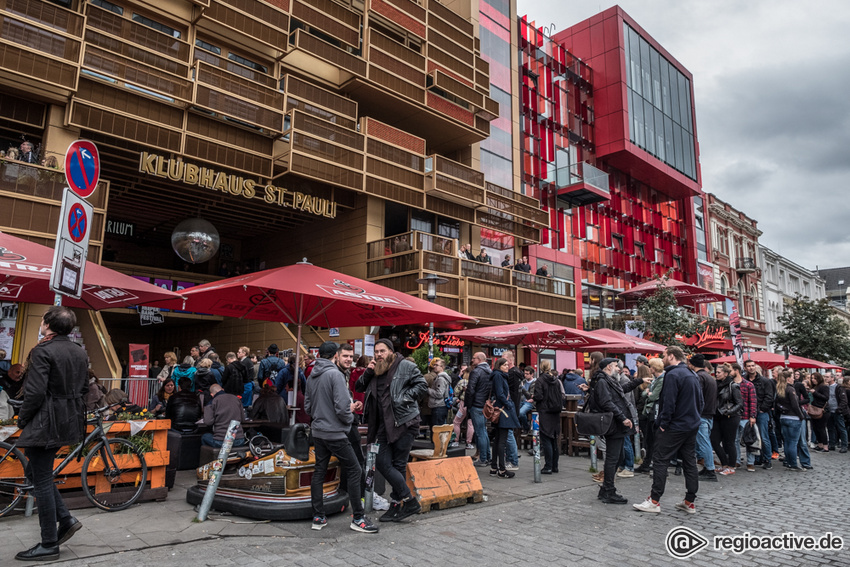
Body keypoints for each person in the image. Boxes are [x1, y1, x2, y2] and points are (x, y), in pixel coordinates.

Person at [14, 306, 87, 561]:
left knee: (41, 478)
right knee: (36, 472)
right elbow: (84, 387)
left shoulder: (43, 350)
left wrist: (22, 420)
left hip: (47, 421)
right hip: (69, 419)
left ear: (47, 324)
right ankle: (66, 519)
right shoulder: (78, 352)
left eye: (44, 320)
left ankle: (48, 543)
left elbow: (34, 393)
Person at [305, 342, 378, 533]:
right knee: (355, 469)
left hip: (318, 431)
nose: (347, 359)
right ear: (335, 355)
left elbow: (307, 407)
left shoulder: (313, 374)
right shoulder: (335, 374)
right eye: (344, 355)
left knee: (319, 471)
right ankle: (358, 518)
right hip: (335, 432)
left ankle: (318, 516)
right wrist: (350, 411)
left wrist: (324, 414)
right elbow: (342, 410)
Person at [355, 338, 426, 522]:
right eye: (376, 352)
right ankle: (409, 501)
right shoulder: (375, 369)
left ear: (391, 352)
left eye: (382, 351)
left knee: (398, 464)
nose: (379, 355)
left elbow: (422, 385)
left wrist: (403, 398)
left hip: (404, 422)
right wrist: (369, 371)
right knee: (383, 462)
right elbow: (359, 386)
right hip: (382, 425)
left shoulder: (404, 366)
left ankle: (395, 506)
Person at [633, 346, 703, 515]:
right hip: (691, 425)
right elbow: (700, 401)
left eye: (664, 356)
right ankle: (689, 501)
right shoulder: (691, 374)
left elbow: (668, 402)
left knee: (660, 460)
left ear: (671, 356)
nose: (662, 359)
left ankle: (654, 500)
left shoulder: (673, 374)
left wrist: (663, 423)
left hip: (674, 426)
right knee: (689, 461)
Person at [587, 357, 645, 504]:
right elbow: (607, 402)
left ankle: (606, 489)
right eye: (615, 366)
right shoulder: (602, 381)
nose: (619, 369)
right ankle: (608, 490)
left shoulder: (608, 380)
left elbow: (621, 390)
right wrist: (622, 417)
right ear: (608, 367)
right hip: (613, 424)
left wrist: (639, 381)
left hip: (616, 424)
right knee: (614, 458)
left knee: (618, 457)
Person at [685, 355, 717, 481]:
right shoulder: (709, 377)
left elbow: (697, 397)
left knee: (704, 443)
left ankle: (710, 470)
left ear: (693, 365)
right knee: (705, 442)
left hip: (702, 414)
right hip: (709, 414)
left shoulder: (699, 377)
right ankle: (707, 468)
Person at [533, 360, 565, 474]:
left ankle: (548, 466)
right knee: (554, 439)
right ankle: (555, 466)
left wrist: (533, 397)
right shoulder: (556, 380)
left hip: (545, 411)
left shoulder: (540, 380)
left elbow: (538, 396)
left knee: (546, 438)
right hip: (555, 412)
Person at [489, 358, 520, 478]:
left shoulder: (500, 375)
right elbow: (500, 393)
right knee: (502, 439)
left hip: (500, 408)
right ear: (499, 366)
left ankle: (494, 467)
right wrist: (508, 405)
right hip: (503, 410)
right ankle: (501, 469)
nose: (507, 367)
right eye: (504, 365)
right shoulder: (498, 376)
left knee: (498, 440)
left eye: (507, 365)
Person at [711, 363, 742, 475]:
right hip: (717, 416)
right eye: (716, 372)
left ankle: (731, 466)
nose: (716, 374)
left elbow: (739, 403)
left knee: (729, 442)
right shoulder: (715, 384)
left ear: (725, 373)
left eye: (719, 372)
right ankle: (724, 464)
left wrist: (728, 412)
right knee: (714, 441)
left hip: (730, 417)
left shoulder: (733, 386)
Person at [635, 358, 665, 475]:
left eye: (651, 366)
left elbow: (653, 397)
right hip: (648, 412)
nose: (649, 368)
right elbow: (645, 394)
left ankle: (650, 464)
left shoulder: (661, 380)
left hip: (653, 412)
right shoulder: (656, 379)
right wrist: (648, 393)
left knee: (653, 440)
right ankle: (647, 463)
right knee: (649, 439)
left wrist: (648, 393)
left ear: (654, 368)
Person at [745, 359, 776, 468]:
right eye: (748, 366)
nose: (751, 368)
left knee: (764, 436)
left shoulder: (765, 381)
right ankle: (756, 458)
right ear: (745, 368)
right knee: (751, 436)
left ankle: (767, 459)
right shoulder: (745, 380)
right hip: (748, 412)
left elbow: (769, 397)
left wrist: (762, 408)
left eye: (752, 365)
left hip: (761, 412)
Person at [464, 351, 493, 467]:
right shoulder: (489, 371)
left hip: (476, 404)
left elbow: (471, 390)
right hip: (484, 404)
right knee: (483, 431)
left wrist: (469, 404)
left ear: (480, 360)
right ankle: (488, 457)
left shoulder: (476, 372)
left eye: (474, 358)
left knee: (480, 432)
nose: (472, 360)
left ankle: (483, 458)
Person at [775, 370, 806, 470]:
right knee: (793, 442)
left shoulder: (780, 389)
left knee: (787, 442)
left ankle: (788, 461)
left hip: (784, 417)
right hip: (793, 418)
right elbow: (795, 405)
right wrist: (801, 416)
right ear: (788, 378)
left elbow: (776, 404)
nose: (794, 378)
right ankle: (793, 464)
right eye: (792, 377)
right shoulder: (790, 389)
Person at [734, 362, 758, 470]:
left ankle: (750, 462)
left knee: (749, 439)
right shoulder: (731, 384)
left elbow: (753, 401)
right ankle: (737, 460)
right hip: (734, 417)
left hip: (746, 416)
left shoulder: (748, 385)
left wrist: (752, 416)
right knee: (734, 440)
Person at [450, 366, 475, 449]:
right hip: (472, 404)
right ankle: (469, 442)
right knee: (470, 424)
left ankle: (456, 440)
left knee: (456, 421)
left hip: (463, 404)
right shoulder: (475, 381)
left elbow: (455, 392)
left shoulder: (462, 381)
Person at [808, 372, 830, 452]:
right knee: (815, 428)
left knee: (821, 428)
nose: (813, 380)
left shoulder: (824, 387)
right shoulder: (815, 386)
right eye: (812, 378)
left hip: (822, 410)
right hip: (814, 408)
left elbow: (826, 397)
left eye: (814, 378)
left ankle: (825, 446)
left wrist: (815, 393)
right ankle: (820, 444)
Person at [426, 358, 451, 426]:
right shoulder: (441, 377)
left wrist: (427, 389)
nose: (434, 367)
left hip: (438, 406)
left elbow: (439, 394)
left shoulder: (441, 379)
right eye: (434, 365)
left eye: (436, 365)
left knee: (437, 430)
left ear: (442, 367)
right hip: (440, 406)